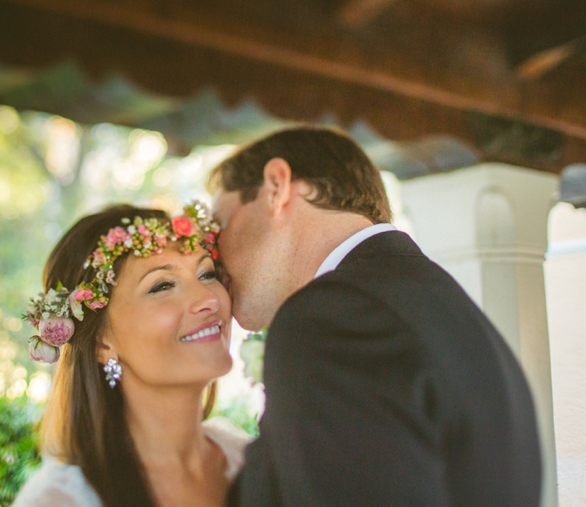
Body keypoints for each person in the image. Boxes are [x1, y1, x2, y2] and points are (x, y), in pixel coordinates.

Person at [210, 126, 542, 507]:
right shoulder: (444, 307)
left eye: (220, 221)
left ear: (276, 186)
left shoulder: (332, 319)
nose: (214, 254)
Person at [12, 204, 248, 507]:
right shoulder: (59, 500)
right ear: (100, 343)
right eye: (162, 285)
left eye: (207, 274)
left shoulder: (245, 456)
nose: (210, 299)